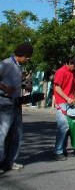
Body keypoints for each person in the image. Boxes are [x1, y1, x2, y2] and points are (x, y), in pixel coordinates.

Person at [0, 42, 33, 175]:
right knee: (2, 135)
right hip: (4, 104)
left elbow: (15, 83)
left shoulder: (19, 67)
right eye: (28, 56)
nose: (28, 59)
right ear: (21, 54)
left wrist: (24, 87)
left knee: (16, 135)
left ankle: (9, 161)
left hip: (15, 104)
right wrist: (4, 88)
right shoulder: (6, 63)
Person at [53, 57, 75, 161]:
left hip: (70, 102)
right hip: (61, 102)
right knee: (63, 127)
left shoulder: (74, 72)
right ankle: (58, 152)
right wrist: (67, 98)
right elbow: (57, 88)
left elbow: (74, 87)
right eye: (74, 65)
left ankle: (63, 150)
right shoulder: (60, 72)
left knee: (68, 128)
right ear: (69, 63)